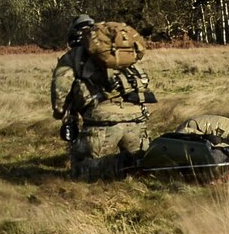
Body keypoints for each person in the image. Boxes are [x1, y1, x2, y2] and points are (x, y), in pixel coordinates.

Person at [49, 13, 153, 180]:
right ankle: (136, 164)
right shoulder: (115, 52)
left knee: (80, 172)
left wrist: (60, 112)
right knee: (141, 165)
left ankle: (119, 164)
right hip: (136, 117)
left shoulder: (73, 57)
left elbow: (60, 88)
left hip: (102, 121)